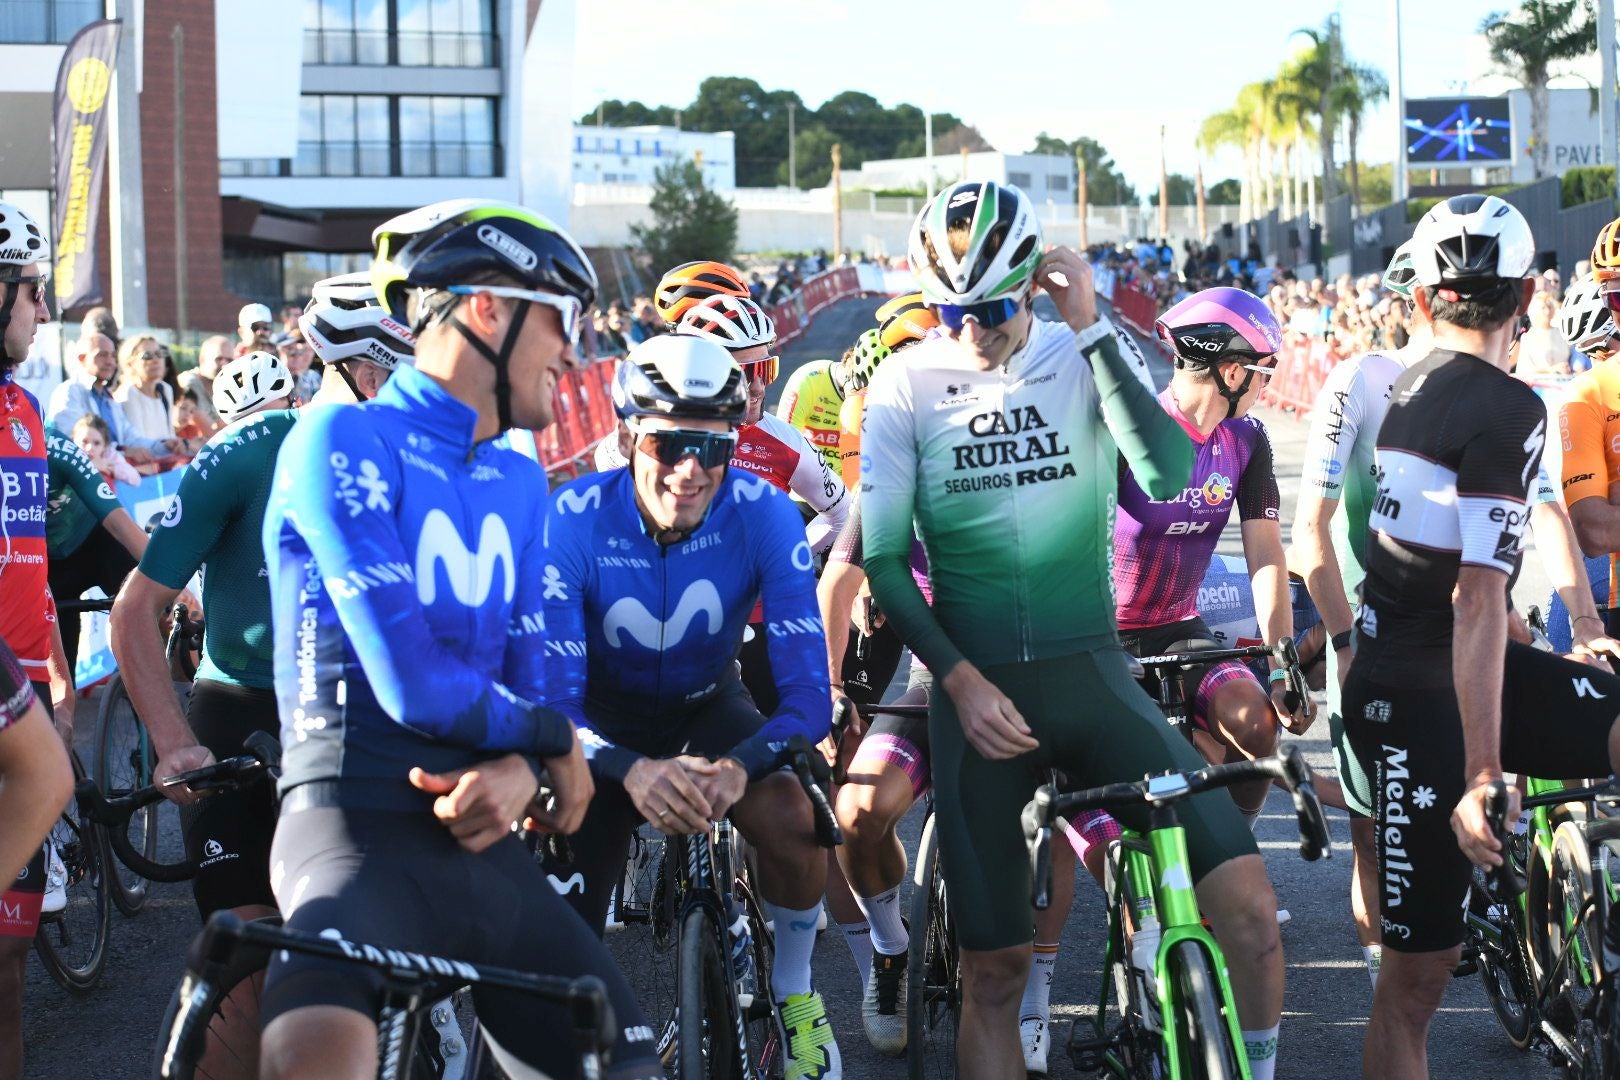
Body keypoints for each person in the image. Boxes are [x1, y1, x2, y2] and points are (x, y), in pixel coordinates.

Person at [863, 180, 1284, 1080]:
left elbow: (1169, 469)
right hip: (975, 703)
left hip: (1094, 678)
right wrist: (960, 682)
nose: (969, 327)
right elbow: (888, 564)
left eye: (989, 304)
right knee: (994, 976)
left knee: (1248, 909)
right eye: (949, 307)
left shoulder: (1076, 353)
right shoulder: (906, 383)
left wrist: (1092, 325)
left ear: (1030, 281)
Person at [256, 198, 661, 1080]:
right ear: (487, 307)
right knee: (310, 1058)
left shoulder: (518, 480)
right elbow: (414, 685)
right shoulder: (341, 437)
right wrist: (551, 746)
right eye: (562, 317)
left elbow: (531, 684)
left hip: (480, 843)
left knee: (628, 1064)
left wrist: (522, 768)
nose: (572, 348)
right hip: (352, 833)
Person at [1342, 193, 1620, 1080]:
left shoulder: (1412, 378)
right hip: (1415, 704)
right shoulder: (1507, 407)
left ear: (1425, 301)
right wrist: (1482, 775)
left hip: (1433, 668)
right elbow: (1471, 595)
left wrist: (1567, 632)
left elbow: (1455, 575)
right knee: (1414, 984)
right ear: (1532, 294)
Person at [541, 333, 840, 1080]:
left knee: (799, 817)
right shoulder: (571, 517)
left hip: (710, 708)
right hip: (600, 727)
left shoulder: (766, 514)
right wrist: (630, 771)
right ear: (624, 436)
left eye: (712, 449)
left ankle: (797, 994)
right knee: (553, 938)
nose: (690, 470)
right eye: (668, 444)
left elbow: (807, 697)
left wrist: (739, 771)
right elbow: (550, 701)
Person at [1114, 287, 1308, 824]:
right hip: (1101, 633)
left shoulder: (1247, 440)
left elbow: (1266, 556)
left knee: (1257, 724)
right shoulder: (1131, 432)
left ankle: (1233, 851)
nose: (1268, 384)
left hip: (1176, 626)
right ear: (1229, 371)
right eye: (1263, 370)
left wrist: (1280, 663)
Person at [1293, 242, 1432, 990]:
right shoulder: (1360, 380)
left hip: (1453, 630)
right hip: (1371, 636)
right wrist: (1341, 643)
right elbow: (1307, 528)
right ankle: (1385, 978)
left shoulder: (1497, 384)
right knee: (1374, 830)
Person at [0, 199, 73, 1080]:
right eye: (30, 291)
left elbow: (31, 559)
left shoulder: (23, 409)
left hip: (23, 704)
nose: (43, 311)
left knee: (8, 970)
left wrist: (55, 663)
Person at [47, 333, 181, 462]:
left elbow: (131, 438)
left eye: (113, 356)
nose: (110, 362)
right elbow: (74, 442)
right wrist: (123, 453)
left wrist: (164, 445)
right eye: (102, 355)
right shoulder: (69, 391)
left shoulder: (108, 399)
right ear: (82, 359)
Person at [114, 334, 176, 443]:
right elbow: (139, 442)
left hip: (165, 456)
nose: (156, 360)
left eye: (159, 354)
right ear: (130, 363)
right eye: (147, 356)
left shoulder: (165, 389)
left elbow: (170, 435)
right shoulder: (128, 393)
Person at [70, 413, 140, 486]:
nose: (90, 447)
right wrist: (90, 466)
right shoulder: (66, 455)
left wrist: (110, 468)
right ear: (73, 441)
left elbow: (136, 479)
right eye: (84, 442)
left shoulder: (109, 455)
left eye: (97, 443)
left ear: (105, 446)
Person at [1515, 289, 1572, 375]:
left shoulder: (1563, 334)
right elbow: (1523, 370)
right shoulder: (1528, 337)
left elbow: (1575, 360)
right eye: (1543, 308)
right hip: (1540, 386)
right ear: (1535, 310)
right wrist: (1551, 370)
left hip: (1565, 383)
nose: (1547, 311)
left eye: (1549, 307)